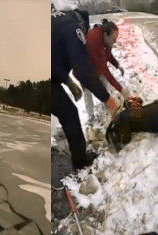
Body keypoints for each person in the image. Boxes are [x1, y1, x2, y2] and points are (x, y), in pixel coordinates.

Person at [51, 9, 120, 170]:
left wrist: (66, 80)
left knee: (66, 112)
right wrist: (107, 99)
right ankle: (80, 161)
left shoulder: (60, 20)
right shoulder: (74, 27)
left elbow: (53, 53)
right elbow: (83, 68)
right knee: (69, 113)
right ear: (83, 25)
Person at [73, 19, 130, 125]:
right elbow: (105, 71)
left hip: (96, 64)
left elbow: (108, 55)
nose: (115, 41)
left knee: (104, 84)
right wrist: (121, 90)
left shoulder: (106, 40)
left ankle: (106, 103)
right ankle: (91, 116)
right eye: (114, 39)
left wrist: (117, 65)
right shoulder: (94, 41)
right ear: (105, 34)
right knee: (88, 90)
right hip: (82, 68)